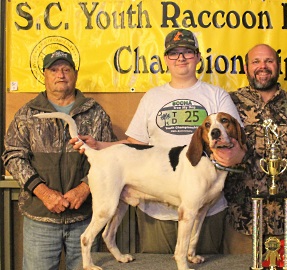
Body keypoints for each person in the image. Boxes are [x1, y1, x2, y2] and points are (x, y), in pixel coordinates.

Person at [71, 29, 245, 254]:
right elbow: (135, 143)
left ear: (198, 57)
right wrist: (100, 146)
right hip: (157, 212)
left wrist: (228, 156)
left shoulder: (217, 95)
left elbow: (238, 145)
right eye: (174, 53)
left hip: (207, 209)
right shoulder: (152, 97)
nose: (181, 58)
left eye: (187, 52)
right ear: (165, 60)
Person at [2, 50, 117, 270]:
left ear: (75, 73)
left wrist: (84, 188)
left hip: (85, 219)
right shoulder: (27, 113)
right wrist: (43, 192)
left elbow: (109, 158)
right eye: (54, 70)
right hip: (40, 220)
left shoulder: (95, 113)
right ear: (44, 75)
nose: (60, 74)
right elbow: (12, 155)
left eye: (66, 69)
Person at [221, 44, 287, 254]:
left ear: (278, 66)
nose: (263, 67)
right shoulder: (229, 104)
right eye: (256, 61)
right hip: (241, 220)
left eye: (269, 61)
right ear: (246, 68)